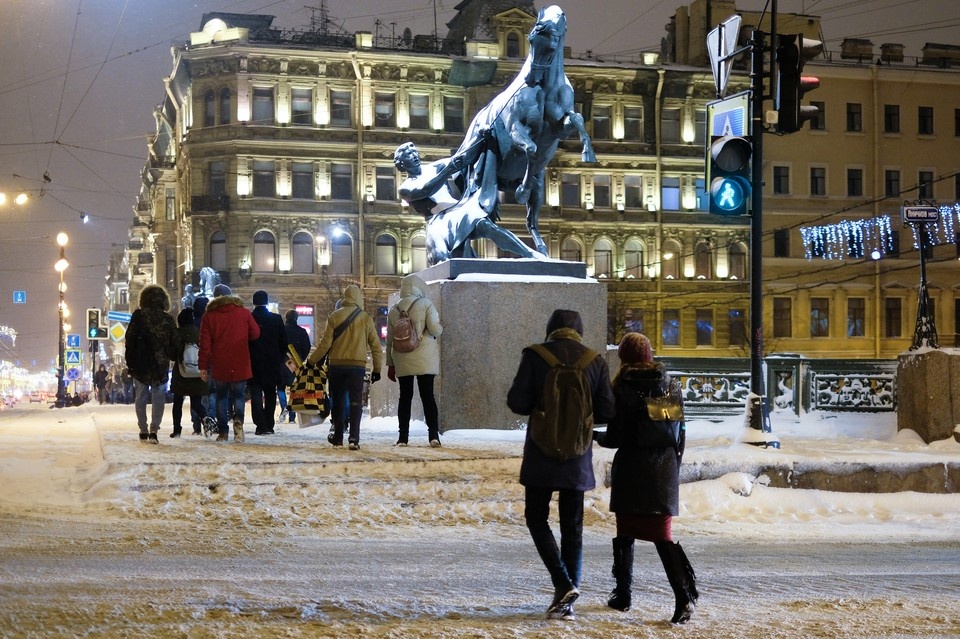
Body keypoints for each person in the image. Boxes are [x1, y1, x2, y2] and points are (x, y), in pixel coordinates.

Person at [507, 309, 616, 620]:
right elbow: (608, 411)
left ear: (550, 328)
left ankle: (562, 582)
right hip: (577, 454)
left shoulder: (535, 355)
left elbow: (517, 402)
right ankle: (567, 598)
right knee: (573, 528)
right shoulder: (593, 360)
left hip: (541, 451)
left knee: (536, 517)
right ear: (579, 331)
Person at [593, 332, 699, 624]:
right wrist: (673, 465)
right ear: (650, 356)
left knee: (625, 531)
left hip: (633, 470)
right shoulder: (671, 385)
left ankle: (624, 594)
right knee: (662, 535)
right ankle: (683, 597)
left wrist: (596, 436)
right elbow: (681, 433)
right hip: (664, 469)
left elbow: (615, 437)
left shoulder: (623, 388)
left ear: (624, 358)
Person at [394, 141, 544, 266]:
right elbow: (426, 189)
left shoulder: (434, 167)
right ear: (401, 164)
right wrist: (449, 169)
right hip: (437, 222)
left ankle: (529, 253)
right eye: (408, 155)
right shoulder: (405, 188)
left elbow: (462, 157)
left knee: (487, 226)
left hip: (456, 212)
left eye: (414, 152)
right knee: (441, 259)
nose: (414, 156)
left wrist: (480, 141)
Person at [305, 285, 382, 450]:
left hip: (337, 366)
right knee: (356, 402)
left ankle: (338, 437)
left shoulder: (335, 316)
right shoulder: (365, 318)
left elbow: (325, 343)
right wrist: (377, 369)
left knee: (338, 401)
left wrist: (311, 361)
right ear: (359, 297)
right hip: (357, 367)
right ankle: (354, 438)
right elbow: (375, 346)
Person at [385, 274, 443, 447]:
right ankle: (433, 436)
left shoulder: (394, 310)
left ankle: (403, 437)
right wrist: (440, 327)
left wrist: (390, 364)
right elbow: (434, 329)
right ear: (419, 287)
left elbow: (389, 341)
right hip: (424, 356)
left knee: (405, 397)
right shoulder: (426, 304)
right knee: (428, 397)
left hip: (402, 357)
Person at [198, 284, 260, 442]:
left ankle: (223, 432)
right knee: (239, 396)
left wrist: (203, 366)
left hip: (219, 363)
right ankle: (238, 422)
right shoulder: (243, 313)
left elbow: (205, 344)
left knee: (221, 397)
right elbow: (255, 334)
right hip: (240, 360)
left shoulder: (209, 316)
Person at [125, 284, 180, 444]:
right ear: (163, 300)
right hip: (160, 364)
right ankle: (154, 430)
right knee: (158, 397)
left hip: (140, 363)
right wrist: (173, 356)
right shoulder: (167, 319)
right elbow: (174, 342)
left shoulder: (138, 316)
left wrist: (130, 361)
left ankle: (143, 430)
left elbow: (130, 340)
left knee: (140, 396)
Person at [248, 290, 288, 435]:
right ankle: (269, 424)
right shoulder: (276, 319)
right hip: (272, 363)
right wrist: (279, 357)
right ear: (266, 302)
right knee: (271, 394)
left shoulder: (250, 318)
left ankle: (260, 424)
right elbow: (284, 342)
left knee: (256, 393)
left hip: (253, 362)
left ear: (254, 302)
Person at [168, 308, 211, 437]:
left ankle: (177, 430)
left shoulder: (177, 333)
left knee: (178, 403)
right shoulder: (199, 333)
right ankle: (205, 419)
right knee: (197, 403)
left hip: (181, 372)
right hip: (197, 372)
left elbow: (171, 355)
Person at [283, 309, 311, 424]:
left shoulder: (282, 330)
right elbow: (307, 346)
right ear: (296, 318)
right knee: (294, 387)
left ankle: (284, 407)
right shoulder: (302, 331)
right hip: (296, 361)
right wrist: (301, 358)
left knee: (280, 387)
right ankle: (292, 415)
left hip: (283, 360)